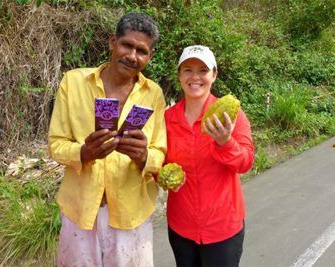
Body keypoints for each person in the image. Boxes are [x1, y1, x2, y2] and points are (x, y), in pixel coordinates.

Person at [48, 12, 167, 267]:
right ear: (113, 42)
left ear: (150, 56)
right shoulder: (74, 82)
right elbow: (56, 144)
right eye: (127, 45)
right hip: (79, 209)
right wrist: (83, 152)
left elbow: (160, 152)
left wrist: (145, 156)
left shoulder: (153, 94)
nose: (132, 56)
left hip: (131, 212)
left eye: (142, 51)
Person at [164, 45, 254, 267]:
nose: (195, 77)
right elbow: (159, 160)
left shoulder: (230, 115)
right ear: (179, 75)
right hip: (181, 225)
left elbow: (246, 162)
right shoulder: (167, 118)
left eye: (203, 71)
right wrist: (162, 174)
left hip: (223, 226)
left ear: (214, 75)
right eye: (188, 70)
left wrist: (225, 142)